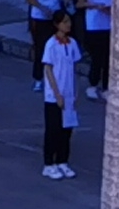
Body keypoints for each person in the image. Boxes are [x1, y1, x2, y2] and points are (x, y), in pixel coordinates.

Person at [35, 11, 84, 180]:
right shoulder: (51, 44)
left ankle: (63, 160)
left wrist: (75, 91)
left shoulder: (72, 43)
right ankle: (49, 164)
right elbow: (48, 69)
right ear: (57, 24)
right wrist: (57, 94)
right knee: (53, 129)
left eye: (68, 21)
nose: (68, 24)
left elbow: (75, 69)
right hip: (54, 95)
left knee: (67, 129)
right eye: (64, 22)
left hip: (69, 92)